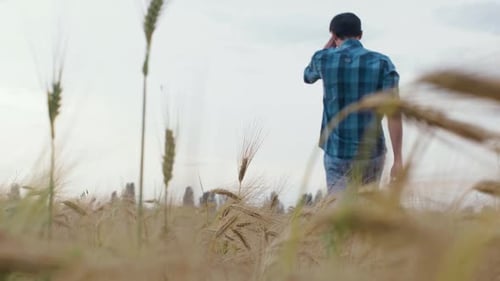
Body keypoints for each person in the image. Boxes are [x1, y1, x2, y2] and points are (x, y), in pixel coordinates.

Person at [303, 12, 403, 195]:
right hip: (371, 153)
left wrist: (329, 44)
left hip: (336, 154)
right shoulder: (383, 63)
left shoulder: (323, 59)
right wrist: (398, 159)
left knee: (339, 216)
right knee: (366, 216)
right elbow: (394, 113)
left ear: (333, 35)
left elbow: (307, 76)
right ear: (361, 34)